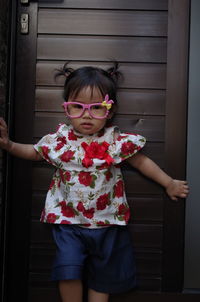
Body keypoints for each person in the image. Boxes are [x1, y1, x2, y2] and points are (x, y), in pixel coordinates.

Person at [0, 63, 189, 302]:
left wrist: (168, 182)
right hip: (67, 221)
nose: (86, 114)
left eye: (96, 108)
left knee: (104, 275)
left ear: (109, 110)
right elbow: (35, 152)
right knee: (68, 270)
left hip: (107, 221)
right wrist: (9, 145)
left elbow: (142, 162)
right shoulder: (61, 140)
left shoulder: (115, 141)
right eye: (77, 107)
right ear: (66, 109)